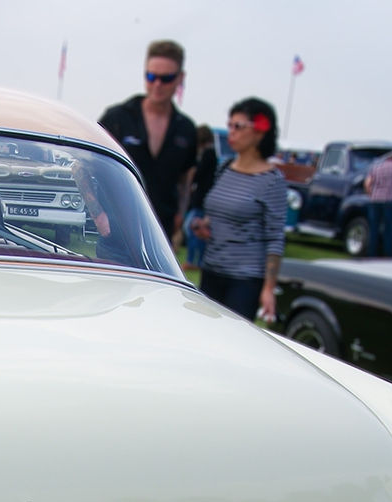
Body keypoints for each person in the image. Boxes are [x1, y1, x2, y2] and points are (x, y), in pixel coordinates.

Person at [189, 98, 288, 320]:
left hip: (244, 280)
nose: (231, 132)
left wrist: (268, 289)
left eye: (238, 126)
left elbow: (275, 238)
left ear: (259, 131)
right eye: (230, 125)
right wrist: (203, 227)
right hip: (212, 270)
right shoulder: (224, 168)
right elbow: (215, 215)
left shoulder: (272, 180)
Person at [99, 39, 196, 243]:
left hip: (161, 233)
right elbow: (85, 167)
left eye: (166, 78)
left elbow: (186, 180)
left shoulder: (185, 130)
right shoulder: (117, 118)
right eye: (151, 77)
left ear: (180, 78)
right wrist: (97, 212)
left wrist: (181, 215)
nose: (157, 85)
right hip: (116, 229)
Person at [182, 124, 217, 271]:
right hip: (203, 200)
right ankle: (198, 260)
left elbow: (198, 174)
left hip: (201, 200)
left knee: (194, 229)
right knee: (198, 230)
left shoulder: (208, 154)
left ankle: (194, 260)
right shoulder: (212, 154)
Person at [363, 150, 392, 257]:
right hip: (390, 200)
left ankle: (372, 252)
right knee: (389, 229)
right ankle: (388, 253)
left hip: (375, 199)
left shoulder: (376, 166)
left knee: (374, 228)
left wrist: (371, 194)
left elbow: (367, 184)